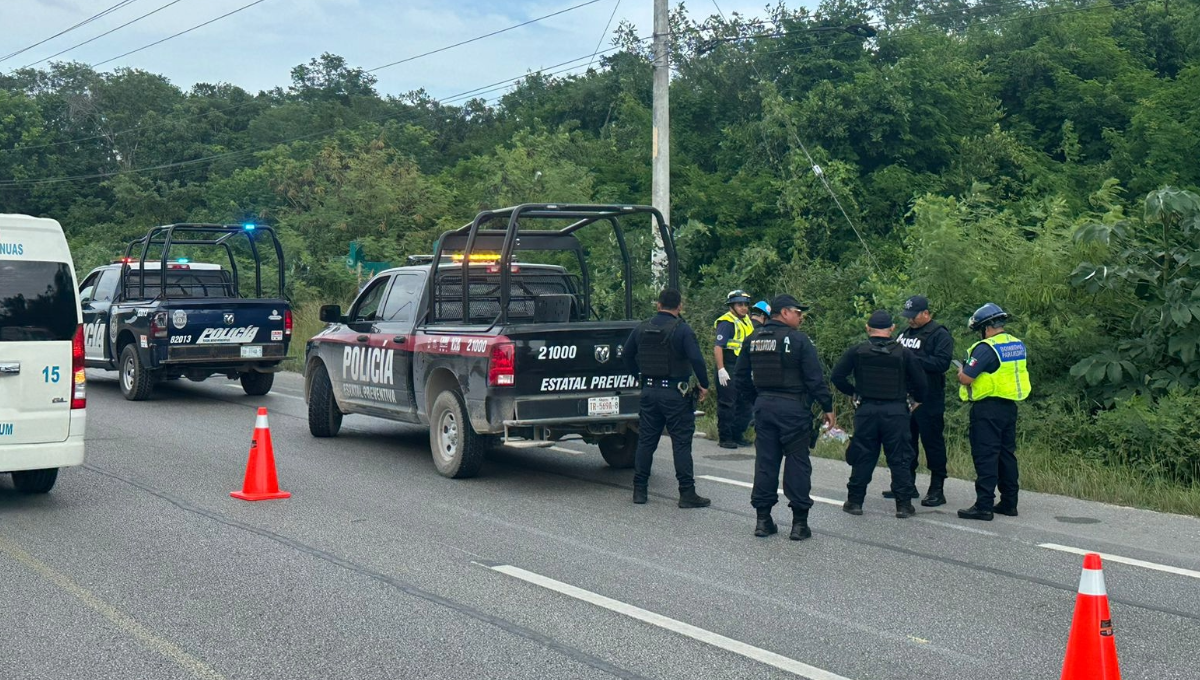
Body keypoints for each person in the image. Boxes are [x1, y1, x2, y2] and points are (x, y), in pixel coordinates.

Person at [734, 295, 836, 540]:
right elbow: (814, 379)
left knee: (766, 463)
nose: (801, 317)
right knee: (797, 463)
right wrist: (827, 407)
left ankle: (763, 521)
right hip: (793, 409)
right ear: (784, 313)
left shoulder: (753, 339)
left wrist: (757, 401)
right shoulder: (799, 340)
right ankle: (799, 525)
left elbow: (740, 379)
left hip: (764, 408)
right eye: (798, 312)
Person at [831, 311, 928, 518]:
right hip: (896, 412)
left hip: (866, 411)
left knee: (863, 456)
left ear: (867, 327)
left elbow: (837, 376)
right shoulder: (903, 353)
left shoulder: (858, 351)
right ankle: (903, 506)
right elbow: (921, 383)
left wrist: (854, 392)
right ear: (892, 328)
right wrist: (915, 400)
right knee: (900, 458)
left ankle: (855, 502)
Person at [622, 288, 712, 509]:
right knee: (681, 443)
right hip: (675, 394)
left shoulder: (642, 327)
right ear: (680, 306)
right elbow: (697, 360)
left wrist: (639, 377)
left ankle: (639, 490)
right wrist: (704, 385)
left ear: (658, 305)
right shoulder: (682, 330)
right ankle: (687, 493)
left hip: (649, 392)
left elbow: (626, 354)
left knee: (646, 441)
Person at [956, 303, 1031, 521]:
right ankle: (1009, 503)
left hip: (987, 408)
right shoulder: (1016, 344)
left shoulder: (986, 348)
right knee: (1006, 455)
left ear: (987, 327)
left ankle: (984, 506)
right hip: (1009, 407)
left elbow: (967, 378)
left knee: (986, 455)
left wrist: (960, 371)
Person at [887, 295, 955, 507]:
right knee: (906, 442)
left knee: (932, 443)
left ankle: (937, 488)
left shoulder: (939, 334)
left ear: (926, 313)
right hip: (905, 397)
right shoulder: (905, 333)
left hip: (929, 399)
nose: (910, 320)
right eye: (907, 316)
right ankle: (907, 484)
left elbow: (942, 363)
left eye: (914, 316)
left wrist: (911, 359)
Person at [714, 289, 755, 449]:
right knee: (727, 403)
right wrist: (721, 369)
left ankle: (738, 435)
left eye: (745, 305)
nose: (744, 308)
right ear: (731, 305)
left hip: (742, 367)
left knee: (745, 403)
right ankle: (725, 437)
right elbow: (718, 347)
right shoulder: (727, 322)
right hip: (728, 365)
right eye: (740, 304)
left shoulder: (747, 321)